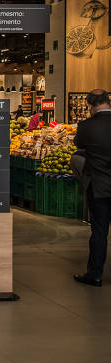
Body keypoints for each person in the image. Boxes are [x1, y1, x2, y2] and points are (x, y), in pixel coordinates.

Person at [73, 89, 111, 287]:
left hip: (99, 186)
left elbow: (79, 145)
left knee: (99, 232)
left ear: (89, 105)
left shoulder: (86, 126)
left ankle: (95, 274)